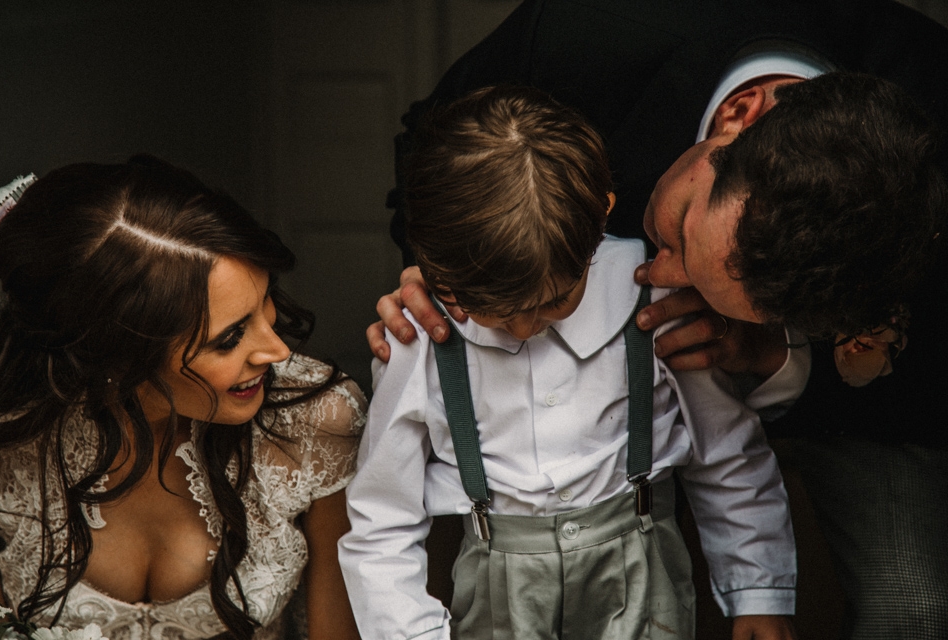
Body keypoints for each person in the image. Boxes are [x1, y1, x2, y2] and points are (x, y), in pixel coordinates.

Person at [367, 1, 948, 639]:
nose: (654, 276)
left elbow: (913, 390)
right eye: (679, 232)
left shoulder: (924, 176)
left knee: (915, 606)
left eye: (708, 286)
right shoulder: (581, 34)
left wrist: (782, 361)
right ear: (738, 116)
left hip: (857, 409)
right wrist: (460, 269)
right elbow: (425, 146)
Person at [341, 85, 800, 640]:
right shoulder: (417, 339)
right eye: (489, 310)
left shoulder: (654, 305)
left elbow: (727, 458)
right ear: (430, 263)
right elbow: (381, 520)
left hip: (641, 587)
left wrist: (759, 593)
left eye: (553, 301)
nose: (522, 328)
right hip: (499, 598)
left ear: (601, 214)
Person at [0, 156, 365, 640]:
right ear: (114, 358)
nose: (276, 350)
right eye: (229, 339)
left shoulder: (315, 422)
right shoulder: (3, 435)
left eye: (264, 300)